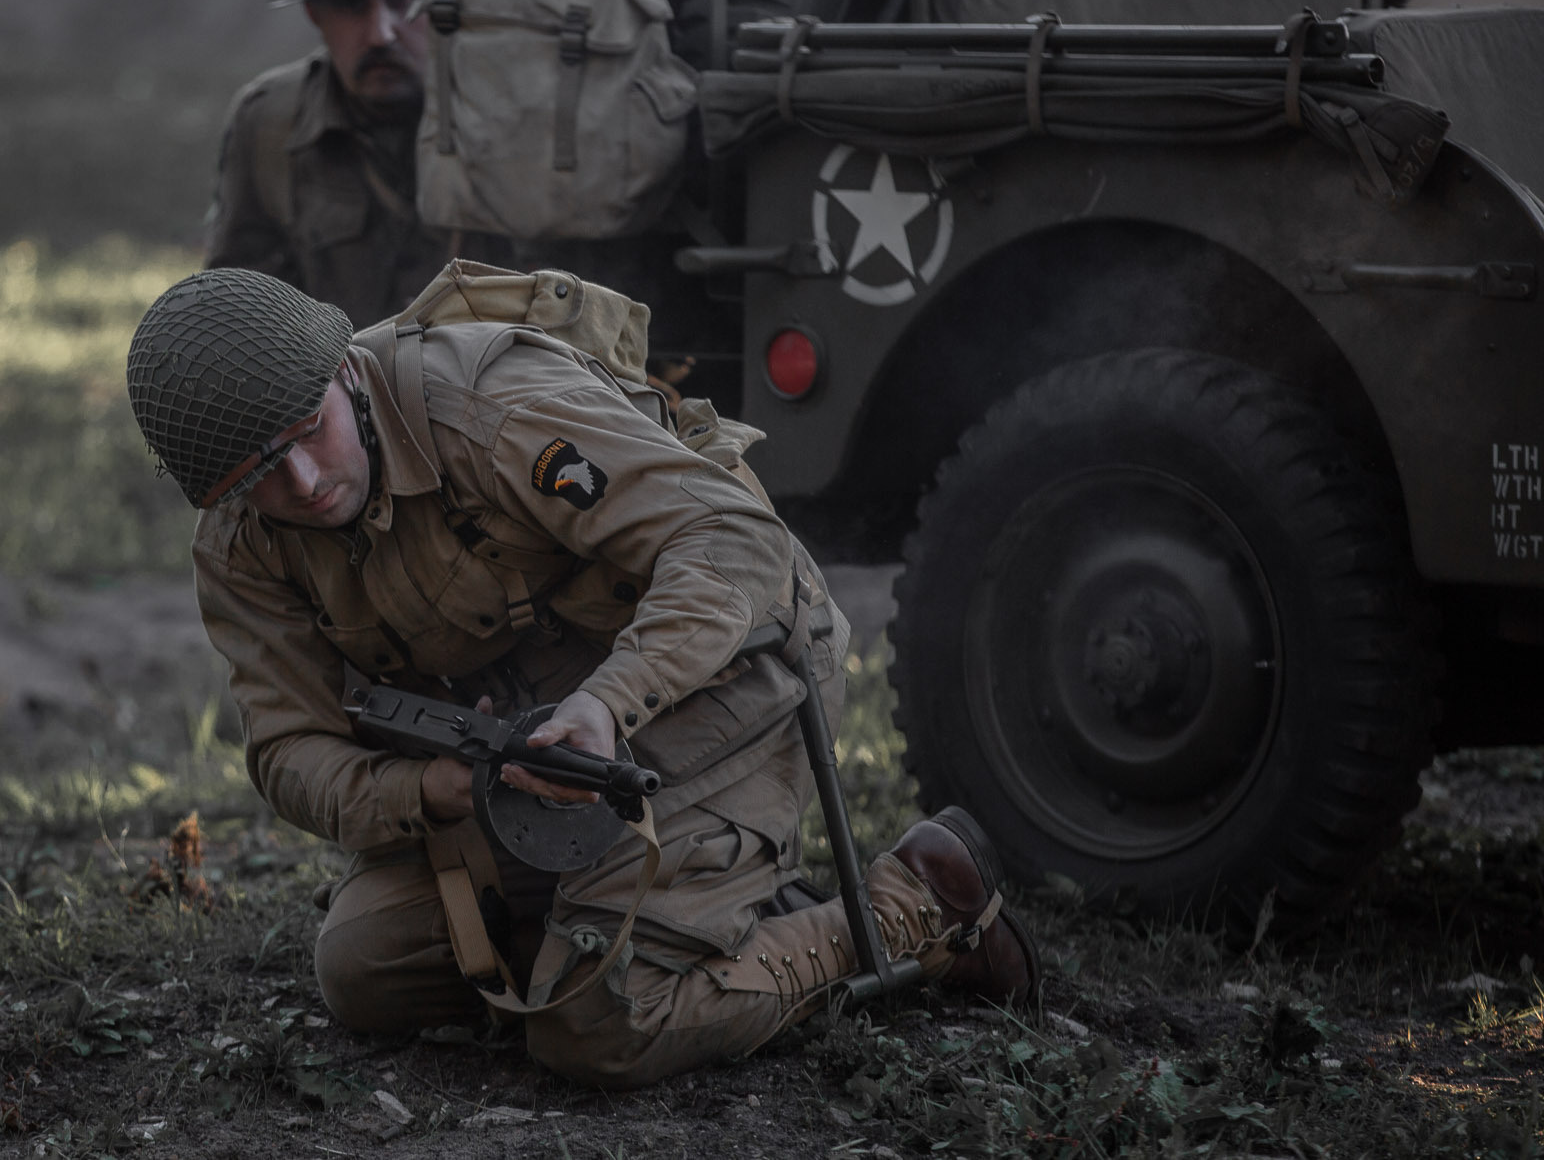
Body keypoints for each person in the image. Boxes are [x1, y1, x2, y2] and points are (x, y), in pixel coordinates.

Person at [126, 265, 1039, 1089]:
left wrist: (605, 705)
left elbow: (734, 544)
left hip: (724, 671)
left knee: (597, 1023)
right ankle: (676, 903)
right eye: (256, 475)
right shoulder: (243, 542)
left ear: (344, 372)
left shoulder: (487, 404)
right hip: (528, 761)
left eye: (305, 431)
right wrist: (437, 787)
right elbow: (290, 747)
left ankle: (916, 903)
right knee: (365, 967)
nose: (304, 480)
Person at [203, 0, 510, 328]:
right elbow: (238, 320)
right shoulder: (271, 124)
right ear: (314, 13)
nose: (380, 33)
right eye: (351, 6)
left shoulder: (517, 114)